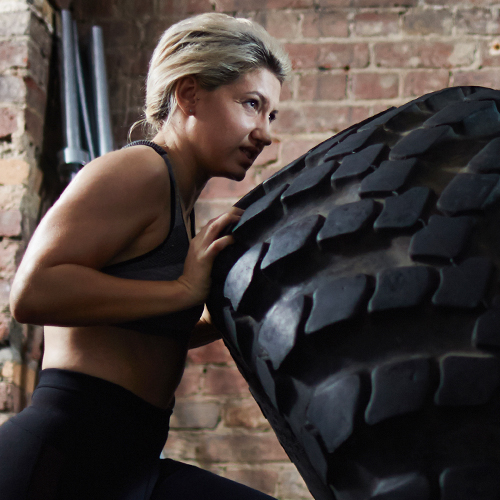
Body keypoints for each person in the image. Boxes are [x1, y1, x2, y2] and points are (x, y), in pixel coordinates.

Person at [0, 12, 290, 500]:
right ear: (189, 94)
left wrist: (221, 314)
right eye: (251, 104)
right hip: (61, 463)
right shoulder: (140, 171)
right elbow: (33, 292)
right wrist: (182, 290)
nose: (264, 132)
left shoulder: (180, 199)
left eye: (271, 115)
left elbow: (141, 331)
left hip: (130, 463)